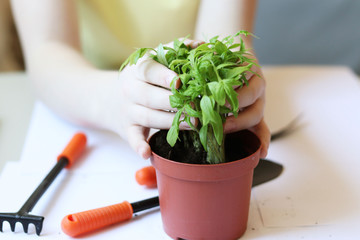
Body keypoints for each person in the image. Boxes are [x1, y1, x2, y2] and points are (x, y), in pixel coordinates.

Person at [10, 0, 270, 159]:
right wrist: (112, 99)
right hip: (88, 89)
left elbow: (226, 38)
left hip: (192, 94)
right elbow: (48, 48)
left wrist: (237, 71)